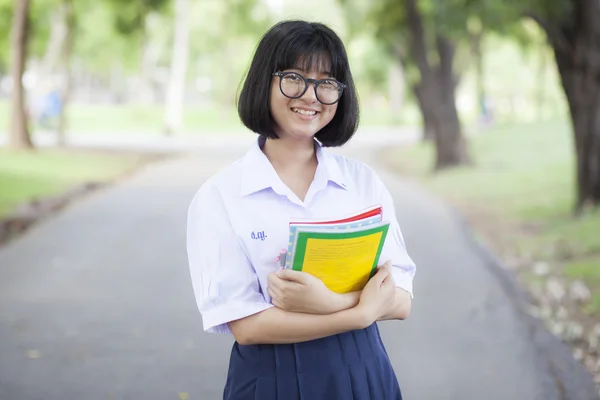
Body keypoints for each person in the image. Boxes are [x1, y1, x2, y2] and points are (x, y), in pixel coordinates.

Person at [186, 20, 416, 400]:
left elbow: (402, 298)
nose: (311, 96)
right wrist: (358, 315)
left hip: (364, 370)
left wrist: (332, 303)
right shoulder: (220, 197)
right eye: (294, 77)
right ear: (265, 81)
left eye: (326, 83)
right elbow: (246, 325)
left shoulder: (363, 184)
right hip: (272, 376)